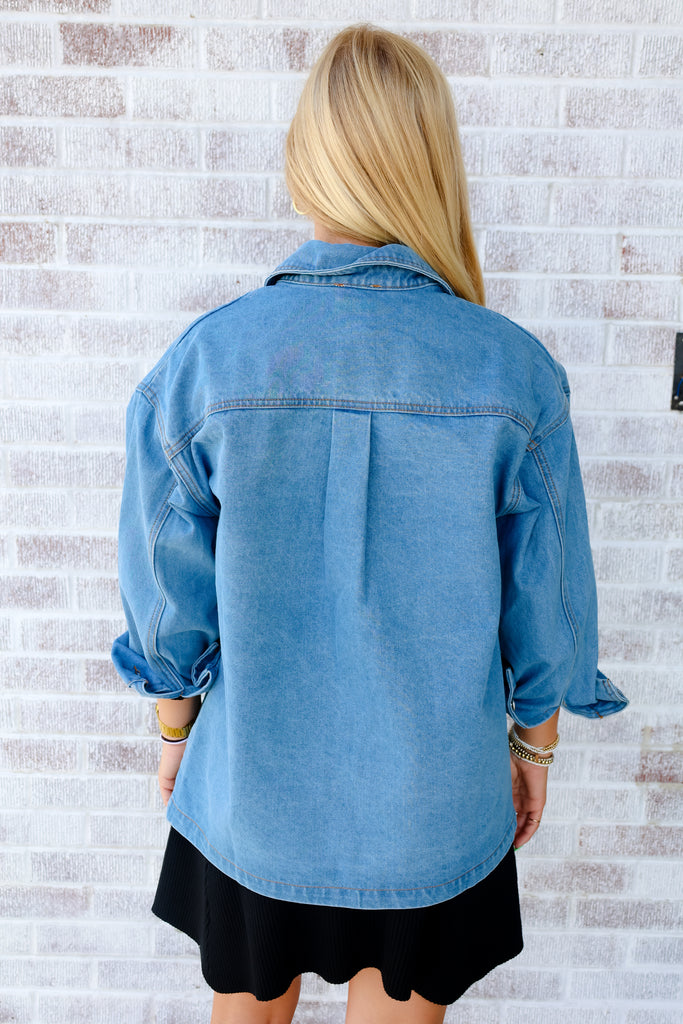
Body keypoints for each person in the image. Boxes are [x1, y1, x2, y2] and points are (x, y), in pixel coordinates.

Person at [111, 24, 628, 1024]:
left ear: (307, 160)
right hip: (430, 812)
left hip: (253, 796)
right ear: (431, 165)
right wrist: (533, 748)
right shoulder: (511, 372)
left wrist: (174, 731)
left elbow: (168, 601)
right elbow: (548, 607)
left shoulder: (207, 363)